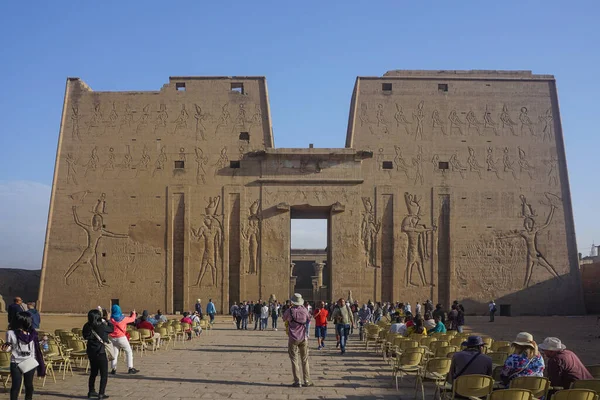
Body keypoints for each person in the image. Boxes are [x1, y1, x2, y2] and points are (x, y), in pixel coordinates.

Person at [2, 311, 46, 400]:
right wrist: (6, 348)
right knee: (16, 386)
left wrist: (43, 341)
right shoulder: (11, 333)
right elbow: (10, 346)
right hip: (16, 362)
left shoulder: (32, 333)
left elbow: (35, 346)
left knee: (29, 385)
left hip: (29, 361)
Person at [83, 309, 114, 399]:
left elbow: (85, 336)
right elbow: (111, 329)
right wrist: (107, 320)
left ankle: (91, 391)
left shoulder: (86, 326)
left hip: (91, 351)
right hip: (100, 352)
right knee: (104, 374)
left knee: (93, 372)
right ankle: (101, 393)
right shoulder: (102, 326)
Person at [283, 293, 313, 387]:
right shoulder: (304, 310)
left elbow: (284, 319)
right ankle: (307, 381)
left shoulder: (289, 310)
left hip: (293, 337)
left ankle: (297, 381)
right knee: (305, 360)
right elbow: (309, 319)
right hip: (303, 337)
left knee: (294, 360)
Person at [108, 305, 139, 375]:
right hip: (121, 337)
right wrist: (134, 313)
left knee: (115, 353)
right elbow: (132, 319)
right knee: (129, 351)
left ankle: (113, 369)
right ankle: (130, 368)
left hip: (113, 338)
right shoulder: (123, 318)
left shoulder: (111, 319)